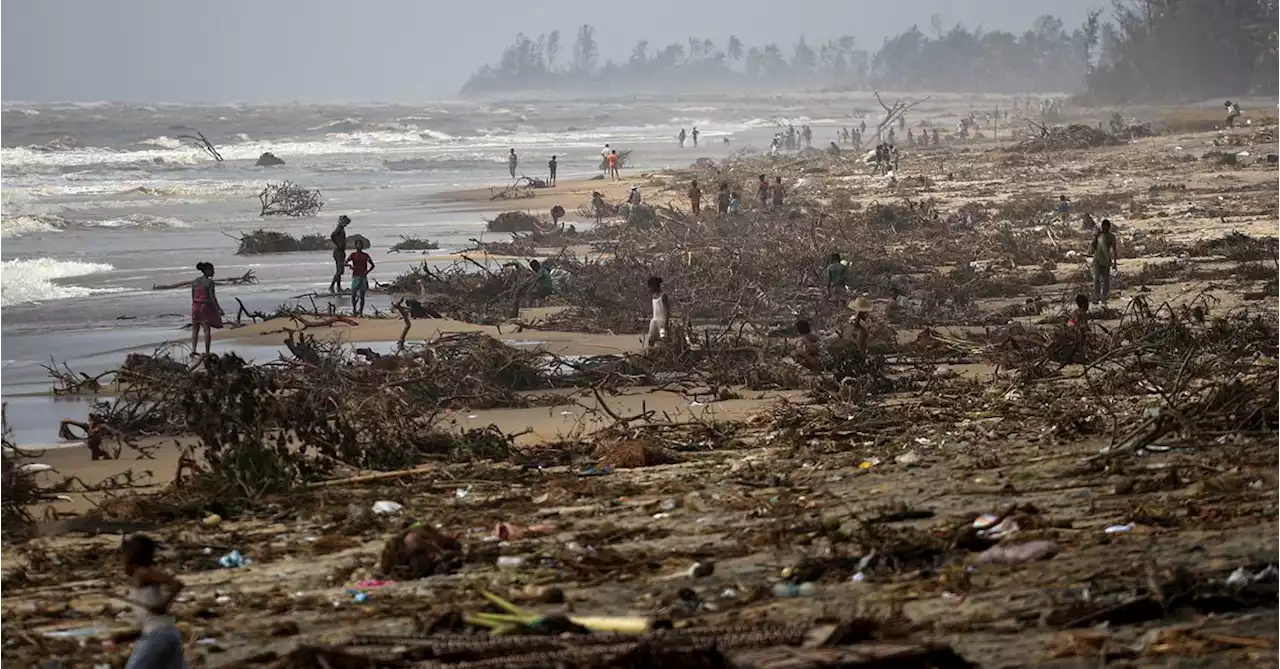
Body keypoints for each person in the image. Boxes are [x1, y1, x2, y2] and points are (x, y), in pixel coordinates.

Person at [121, 535, 187, 669]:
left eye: (123, 558)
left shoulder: (142, 572)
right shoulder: (140, 575)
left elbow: (176, 584)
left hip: (158, 636)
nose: (122, 562)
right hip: (168, 633)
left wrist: (164, 604)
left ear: (132, 559)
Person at [190, 262, 223, 357]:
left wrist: (194, 305)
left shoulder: (195, 281)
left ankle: (193, 350)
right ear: (207, 271)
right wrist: (218, 309)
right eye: (212, 270)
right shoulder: (210, 282)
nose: (213, 272)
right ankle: (207, 352)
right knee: (206, 330)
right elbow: (212, 297)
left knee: (195, 329)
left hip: (195, 307)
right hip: (205, 307)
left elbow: (193, 296)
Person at [1091, 219, 1119, 304]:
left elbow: (1114, 250)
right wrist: (1096, 236)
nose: (1104, 228)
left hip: (1106, 260)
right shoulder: (1098, 235)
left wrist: (1114, 263)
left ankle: (1104, 298)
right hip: (1097, 260)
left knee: (1106, 280)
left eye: (1106, 227)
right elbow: (1092, 247)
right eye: (1103, 226)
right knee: (1096, 279)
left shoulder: (1111, 237)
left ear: (1109, 227)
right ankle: (1096, 297)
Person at [346, 239, 375, 317]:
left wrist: (367, 272)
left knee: (362, 296)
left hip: (363, 277)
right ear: (355, 245)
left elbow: (372, 265)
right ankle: (354, 310)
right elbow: (345, 263)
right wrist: (350, 266)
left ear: (362, 246)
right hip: (355, 276)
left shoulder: (365, 255)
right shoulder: (353, 255)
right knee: (353, 294)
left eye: (360, 244)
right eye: (358, 244)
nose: (359, 246)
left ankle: (361, 312)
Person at [328, 214, 350, 294]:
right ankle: (331, 286)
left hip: (340, 251)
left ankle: (338, 287)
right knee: (340, 270)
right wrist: (338, 244)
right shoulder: (339, 228)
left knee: (339, 270)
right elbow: (332, 235)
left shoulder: (341, 229)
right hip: (338, 251)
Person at [646, 276, 670, 348]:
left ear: (655, 286)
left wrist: (666, 323)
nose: (650, 289)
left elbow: (667, 310)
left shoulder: (663, 295)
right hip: (654, 321)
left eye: (651, 287)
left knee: (663, 338)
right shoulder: (653, 296)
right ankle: (650, 353)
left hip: (662, 321)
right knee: (651, 339)